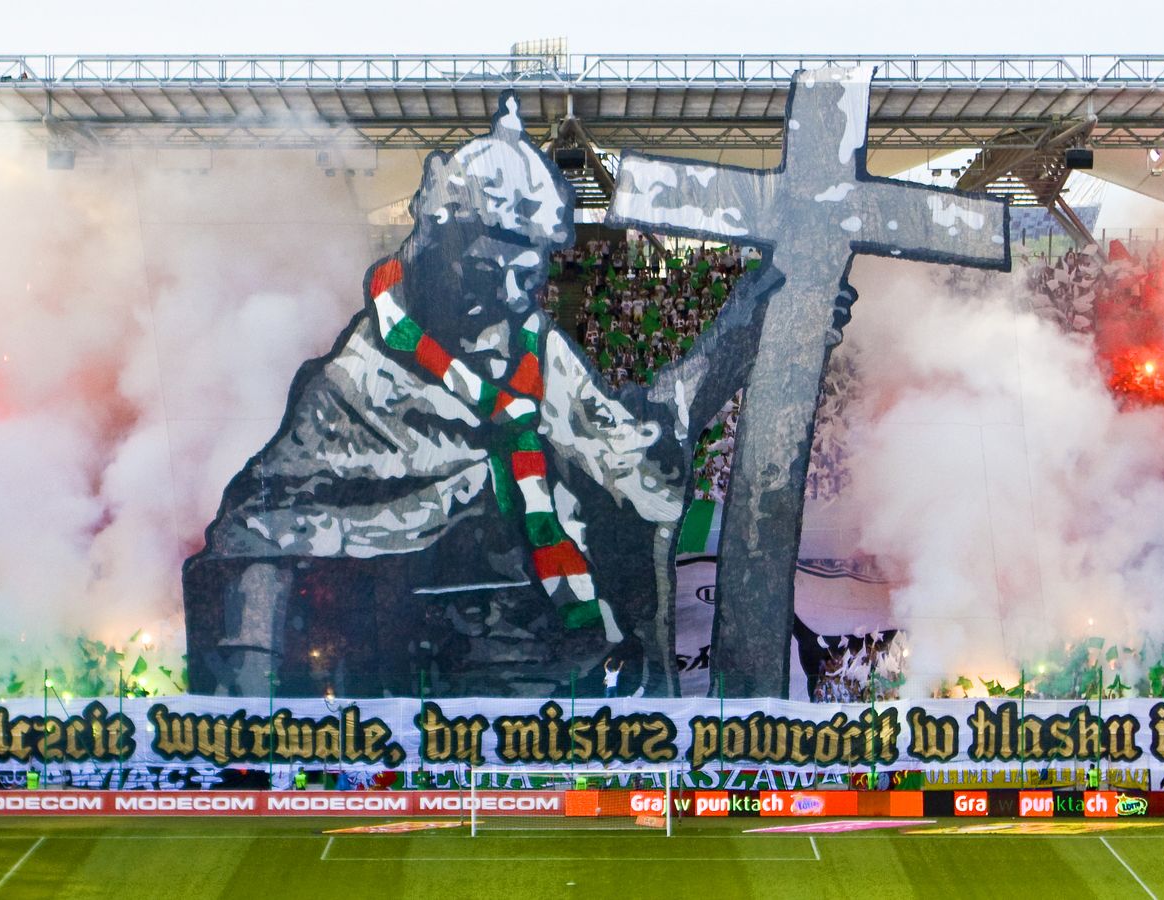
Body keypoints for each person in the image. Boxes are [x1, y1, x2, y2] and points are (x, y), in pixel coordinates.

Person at [182, 95, 771, 700]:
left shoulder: (535, 348)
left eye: (528, 278)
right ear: (436, 246)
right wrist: (244, 713)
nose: (512, 298)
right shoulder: (354, 381)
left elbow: (638, 456)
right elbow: (252, 540)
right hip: (418, 684)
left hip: (552, 665)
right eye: (488, 275)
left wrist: (737, 337)